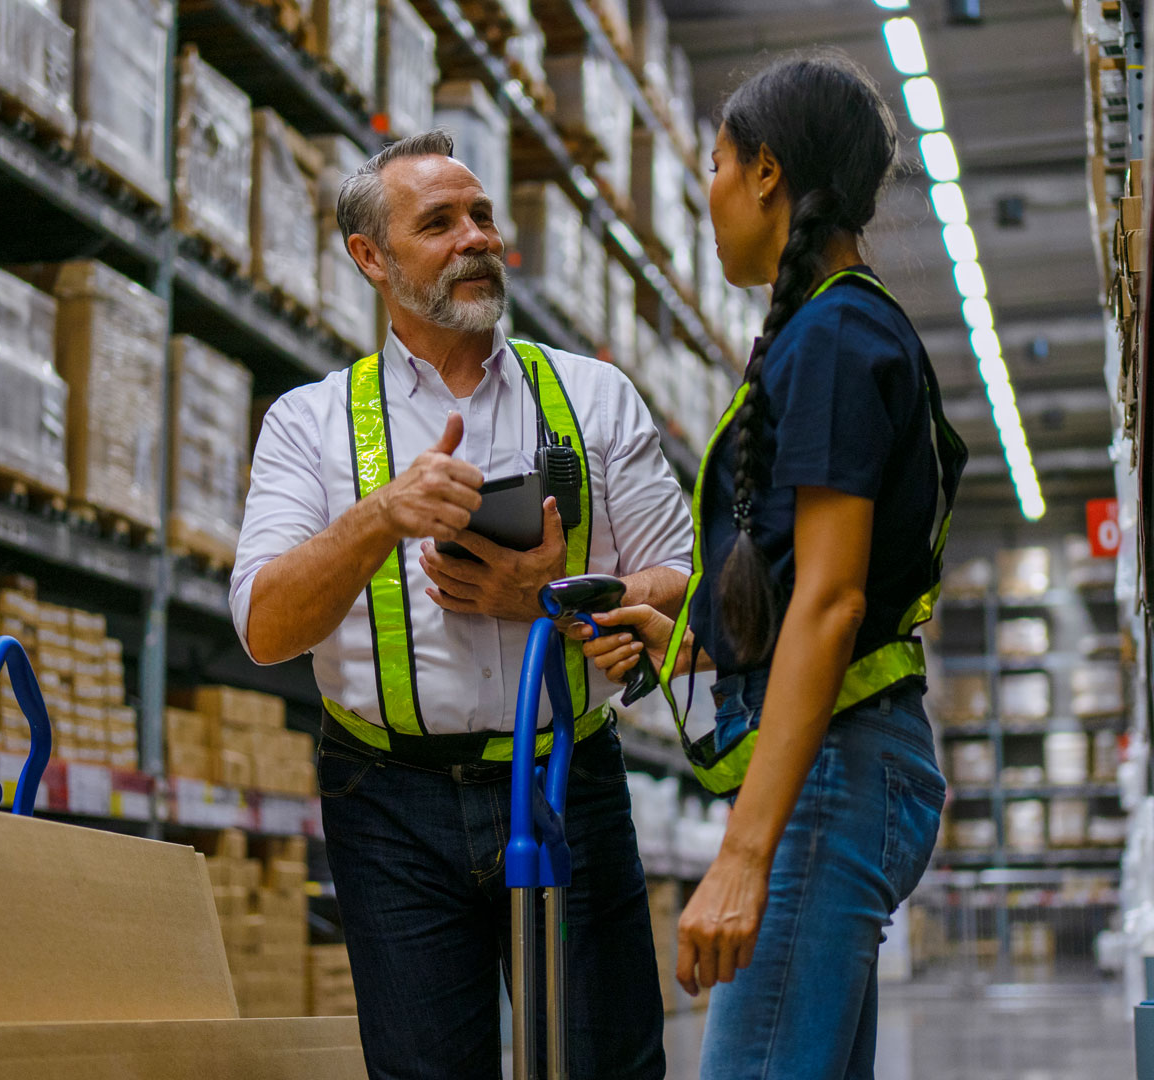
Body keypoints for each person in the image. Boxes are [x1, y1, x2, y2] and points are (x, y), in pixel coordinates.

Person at [229, 129, 690, 1079]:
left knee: (609, 1064)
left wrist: (553, 596)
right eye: (437, 223)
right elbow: (267, 627)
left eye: (480, 215)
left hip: (567, 780)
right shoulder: (308, 422)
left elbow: (680, 581)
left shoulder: (593, 398)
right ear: (371, 257)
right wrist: (379, 517)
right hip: (388, 800)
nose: (474, 237)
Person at [575, 56, 968, 1079]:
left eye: (715, 162)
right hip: (845, 765)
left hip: (836, 775)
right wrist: (681, 649)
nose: (706, 189)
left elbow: (833, 606)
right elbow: (805, 596)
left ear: (766, 173)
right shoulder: (832, 328)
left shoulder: (835, 334)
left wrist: (743, 859)